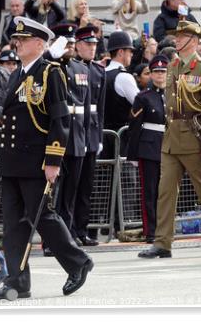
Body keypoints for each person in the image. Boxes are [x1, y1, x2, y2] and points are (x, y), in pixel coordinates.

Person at [0, 16, 93, 300]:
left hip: (37, 159)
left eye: (24, 40)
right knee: (13, 222)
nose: (18, 43)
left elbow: (61, 120)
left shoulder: (50, 72)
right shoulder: (18, 73)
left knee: (43, 217)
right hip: (13, 158)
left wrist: (53, 160)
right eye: (17, 39)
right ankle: (17, 281)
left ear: (39, 44)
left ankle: (78, 263)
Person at [138, 20, 201, 259]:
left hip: (193, 136)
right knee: (165, 191)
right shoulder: (174, 66)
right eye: (176, 37)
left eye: (181, 37)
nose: (176, 40)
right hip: (172, 137)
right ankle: (162, 242)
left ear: (193, 40)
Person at [42, 24, 92, 256]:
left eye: (72, 44)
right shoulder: (50, 67)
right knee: (54, 192)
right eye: (67, 44)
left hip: (78, 136)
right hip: (57, 138)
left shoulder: (81, 68)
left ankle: (68, 235)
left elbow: (88, 107)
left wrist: (89, 137)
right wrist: (50, 55)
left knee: (70, 193)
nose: (71, 48)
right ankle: (51, 241)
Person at [126, 55, 169, 243]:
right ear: (150, 74)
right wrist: (133, 154)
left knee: (166, 191)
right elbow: (134, 127)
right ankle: (151, 231)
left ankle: (165, 228)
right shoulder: (143, 97)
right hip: (149, 147)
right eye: (156, 71)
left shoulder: (171, 94)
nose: (160, 75)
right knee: (149, 191)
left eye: (163, 71)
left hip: (168, 146)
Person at [73, 25, 106, 245]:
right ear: (77, 45)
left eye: (94, 44)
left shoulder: (98, 71)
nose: (92, 48)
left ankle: (81, 230)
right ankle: (67, 233)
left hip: (92, 133)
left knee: (86, 186)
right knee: (70, 187)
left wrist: (100, 137)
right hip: (75, 132)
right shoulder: (71, 67)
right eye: (87, 44)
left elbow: (100, 109)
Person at [102, 31, 139, 158]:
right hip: (121, 139)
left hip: (103, 138)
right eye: (130, 51)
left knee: (105, 176)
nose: (132, 54)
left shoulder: (101, 73)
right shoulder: (124, 77)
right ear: (121, 52)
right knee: (126, 177)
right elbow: (140, 105)